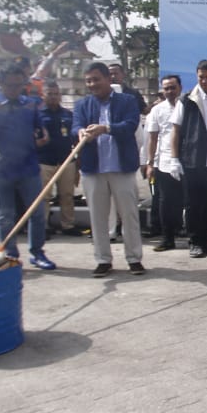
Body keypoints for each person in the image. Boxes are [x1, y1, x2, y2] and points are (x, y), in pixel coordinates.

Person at [0, 66, 56, 270]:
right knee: (5, 215)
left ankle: (37, 253)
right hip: (0, 167)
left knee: (36, 212)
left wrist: (43, 136)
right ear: (1, 84)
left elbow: (40, 129)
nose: (15, 89)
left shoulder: (30, 104)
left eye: (19, 85)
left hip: (28, 166)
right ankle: (10, 255)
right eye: (10, 85)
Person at [73, 62, 145, 276]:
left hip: (121, 168)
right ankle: (103, 260)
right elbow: (75, 125)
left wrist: (106, 128)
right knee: (98, 217)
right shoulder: (82, 105)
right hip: (93, 169)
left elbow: (130, 125)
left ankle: (134, 258)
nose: (92, 84)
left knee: (129, 215)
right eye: (88, 81)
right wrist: (79, 134)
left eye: (96, 79)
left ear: (107, 79)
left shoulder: (127, 101)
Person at [167, 59, 207, 258]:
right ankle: (195, 242)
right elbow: (176, 131)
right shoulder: (186, 100)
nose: (204, 81)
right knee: (193, 204)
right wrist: (174, 158)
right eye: (201, 77)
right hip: (192, 160)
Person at [146, 75, 184, 251]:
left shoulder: (188, 106)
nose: (169, 91)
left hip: (187, 161)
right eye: (166, 88)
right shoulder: (157, 110)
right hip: (165, 163)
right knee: (166, 201)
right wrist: (150, 163)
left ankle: (189, 234)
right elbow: (153, 139)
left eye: (173, 87)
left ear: (180, 88)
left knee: (187, 201)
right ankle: (167, 238)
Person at [38, 82, 79, 237]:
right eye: (50, 94)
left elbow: (75, 137)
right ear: (43, 95)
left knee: (67, 195)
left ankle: (67, 225)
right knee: (44, 197)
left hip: (66, 161)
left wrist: (78, 162)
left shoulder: (68, 115)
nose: (53, 97)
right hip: (44, 161)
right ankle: (43, 226)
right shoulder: (38, 115)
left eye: (56, 94)